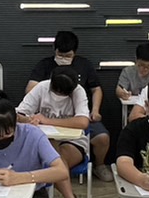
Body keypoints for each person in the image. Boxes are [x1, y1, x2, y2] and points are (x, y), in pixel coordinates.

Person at [25, 31, 112, 180]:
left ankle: (99, 165)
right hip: (46, 120)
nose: (64, 58)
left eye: (68, 55)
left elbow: (96, 90)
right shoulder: (44, 68)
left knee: (102, 138)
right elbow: (30, 89)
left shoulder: (82, 75)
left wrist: (95, 110)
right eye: (61, 55)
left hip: (77, 117)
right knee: (51, 153)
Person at [17, 70, 93, 198]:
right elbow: (19, 114)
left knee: (53, 159)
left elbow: (83, 122)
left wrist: (47, 120)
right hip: (44, 141)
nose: (58, 95)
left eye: (63, 93)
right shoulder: (41, 87)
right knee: (51, 153)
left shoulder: (79, 92)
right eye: (56, 91)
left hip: (73, 142)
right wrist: (28, 119)